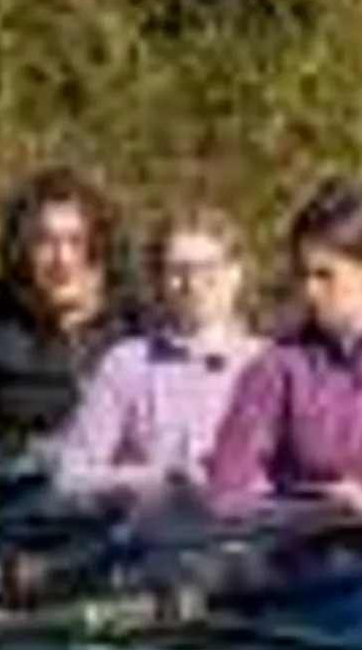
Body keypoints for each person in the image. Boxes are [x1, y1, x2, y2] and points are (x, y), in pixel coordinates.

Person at [204, 177, 362, 521]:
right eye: (303, 274)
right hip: (301, 563)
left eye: (325, 275)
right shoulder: (276, 368)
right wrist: (310, 505)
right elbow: (227, 490)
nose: (309, 290)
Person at [0, 166, 138, 476]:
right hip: (14, 504)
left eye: (77, 242)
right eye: (44, 242)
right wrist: (44, 455)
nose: (63, 260)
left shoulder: (140, 326)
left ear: (100, 250)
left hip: (128, 504)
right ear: (21, 252)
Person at [53, 206, 263, 509]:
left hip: (255, 542)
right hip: (154, 544)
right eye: (177, 270)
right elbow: (71, 476)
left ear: (236, 274)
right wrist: (158, 478)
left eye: (208, 269)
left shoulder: (270, 364)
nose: (192, 284)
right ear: (159, 280)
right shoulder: (127, 364)